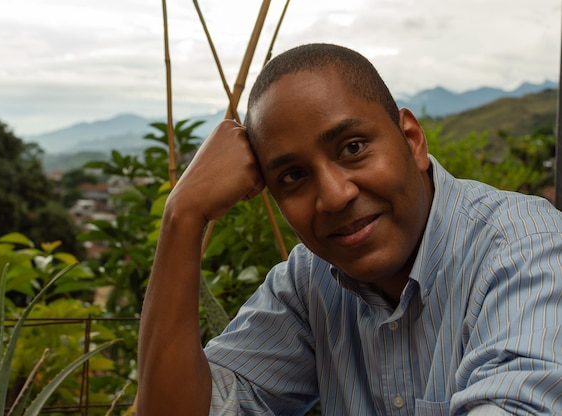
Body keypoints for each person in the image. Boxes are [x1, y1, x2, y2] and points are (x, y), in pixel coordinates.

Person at [137, 43, 562, 415]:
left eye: (353, 148)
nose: (335, 196)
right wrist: (182, 216)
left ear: (412, 140)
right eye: (293, 176)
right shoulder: (310, 282)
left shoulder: (527, 249)